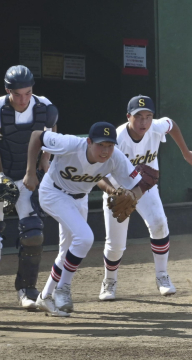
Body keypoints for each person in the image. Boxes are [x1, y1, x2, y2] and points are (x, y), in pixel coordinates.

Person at [23, 122, 151, 317]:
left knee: (67, 251)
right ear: (89, 141)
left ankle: (45, 296)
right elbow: (36, 136)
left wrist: (132, 195)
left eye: (110, 145)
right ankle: (63, 289)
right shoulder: (70, 144)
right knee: (85, 238)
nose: (105, 150)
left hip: (80, 199)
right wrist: (30, 172)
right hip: (53, 193)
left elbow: (138, 184)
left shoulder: (115, 157)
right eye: (101, 145)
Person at [96, 95, 192, 300]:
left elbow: (171, 125)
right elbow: (99, 173)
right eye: (138, 116)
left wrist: (186, 152)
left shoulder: (156, 127)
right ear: (128, 117)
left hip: (145, 186)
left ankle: (162, 276)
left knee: (159, 223)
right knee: (116, 244)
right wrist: (113, 193)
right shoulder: (116, 139)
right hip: (118, 189)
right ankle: (109, 281)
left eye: (148, 116)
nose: (144, 121)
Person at [0, 65, 58, 309]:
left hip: (28, 178)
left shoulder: (45, 106)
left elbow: (51, 136)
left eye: (27, 93)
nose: (23, 99)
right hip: (2, 175)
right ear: (7, 90)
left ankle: (27, 289)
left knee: (34, 233)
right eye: (17, 94)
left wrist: (43, 164)